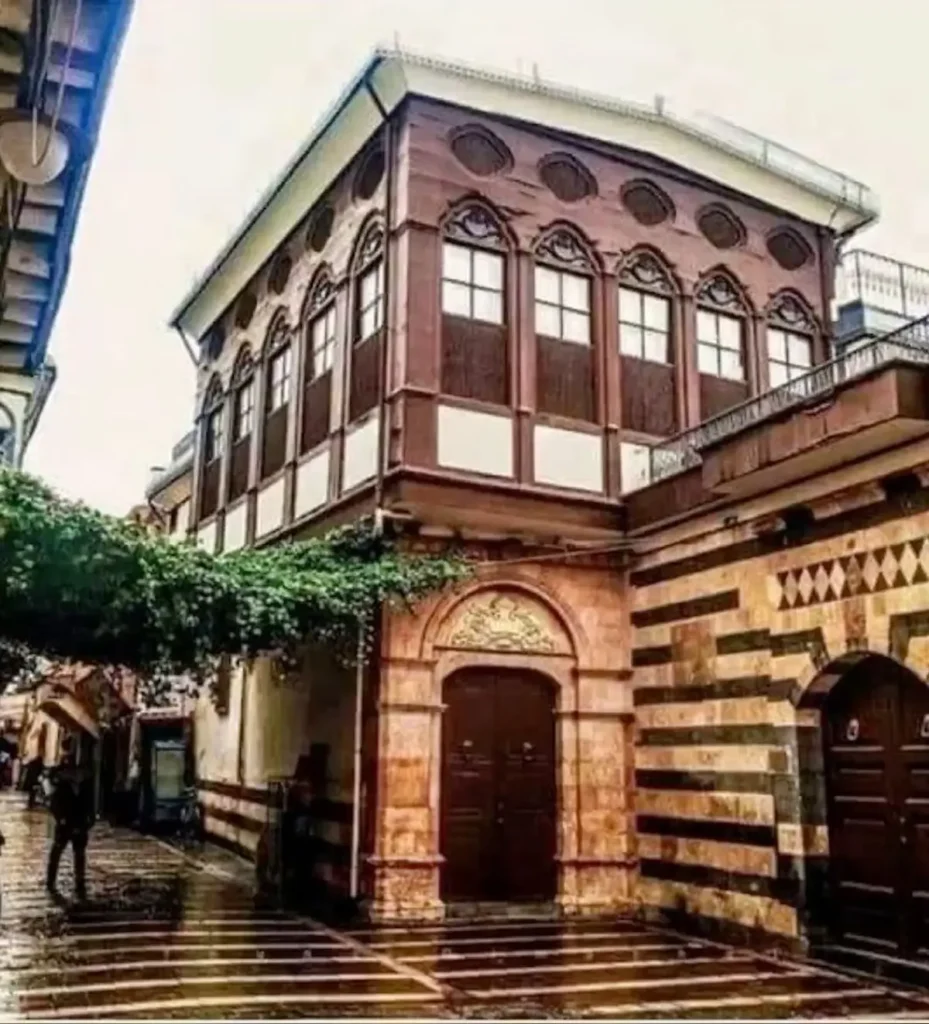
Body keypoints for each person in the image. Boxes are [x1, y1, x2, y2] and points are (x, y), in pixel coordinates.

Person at [46, 754, 94, 901]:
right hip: (65, 824)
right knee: (57, 851)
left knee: (79, 854)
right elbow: (54, 805)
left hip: (80, 823)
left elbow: (89, 805)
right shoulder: (62, 786)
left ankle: (80, 882)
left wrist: (89, 821)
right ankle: (51, 880)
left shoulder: (85, 785)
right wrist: (61, 819)